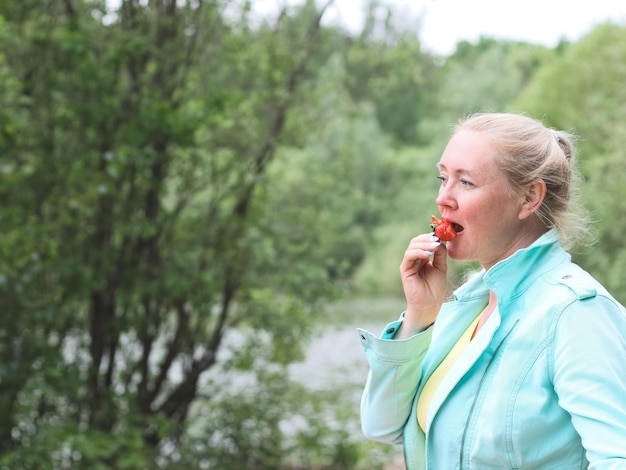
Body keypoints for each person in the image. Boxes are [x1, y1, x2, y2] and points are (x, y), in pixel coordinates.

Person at [357, 112, 626, 469]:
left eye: (465, 183)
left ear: (529, 198)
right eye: (443, 178)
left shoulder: (575, 312)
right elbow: (381, 426)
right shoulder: (466, 308)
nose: (444, 199)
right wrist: (420, 318)